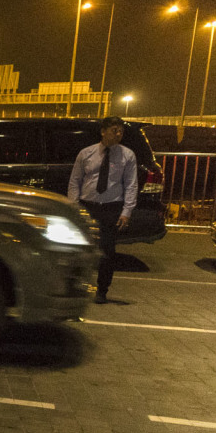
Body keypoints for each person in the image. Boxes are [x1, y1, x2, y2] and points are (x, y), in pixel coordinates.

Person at [67, 115, 138, 304]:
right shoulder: (86, 154)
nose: (118, 134)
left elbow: (131, 185)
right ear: (103, 132)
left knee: (107, 252)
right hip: (87, 206)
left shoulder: (127, 155)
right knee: (80, 248)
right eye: (114, 130)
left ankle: (102, 290)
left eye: (121, 131)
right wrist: (74, 206)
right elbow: (75, 181)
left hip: (111, 208)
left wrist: (126, 211)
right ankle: (75, 286)